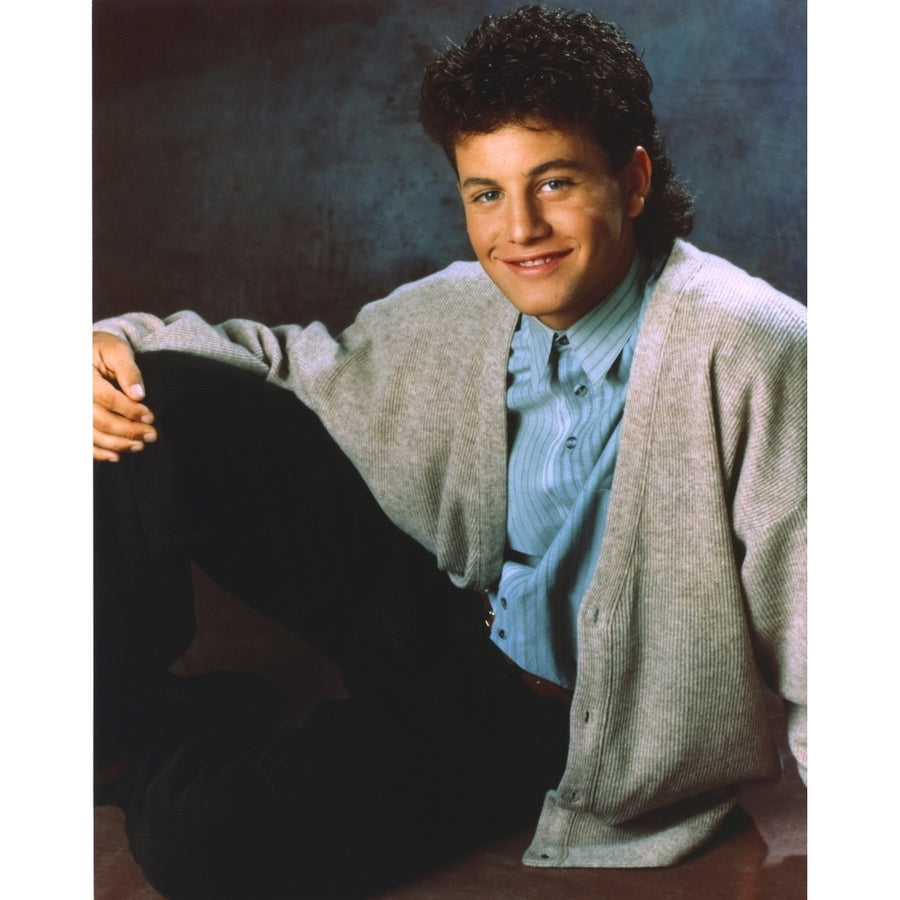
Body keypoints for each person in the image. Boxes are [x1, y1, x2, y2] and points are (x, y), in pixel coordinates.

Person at [92, 5, 806, 898]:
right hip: (435, 623)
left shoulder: (751, 344)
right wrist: (104, 347)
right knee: (140, 393)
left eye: (554, 184)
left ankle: (175, 749)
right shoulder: (464, 305)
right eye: (486, 193)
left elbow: (828, 608)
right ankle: (105, 724)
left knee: (202, 844)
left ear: (631, 181)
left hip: (550, 717)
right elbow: (270, 364)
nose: (520, 230)